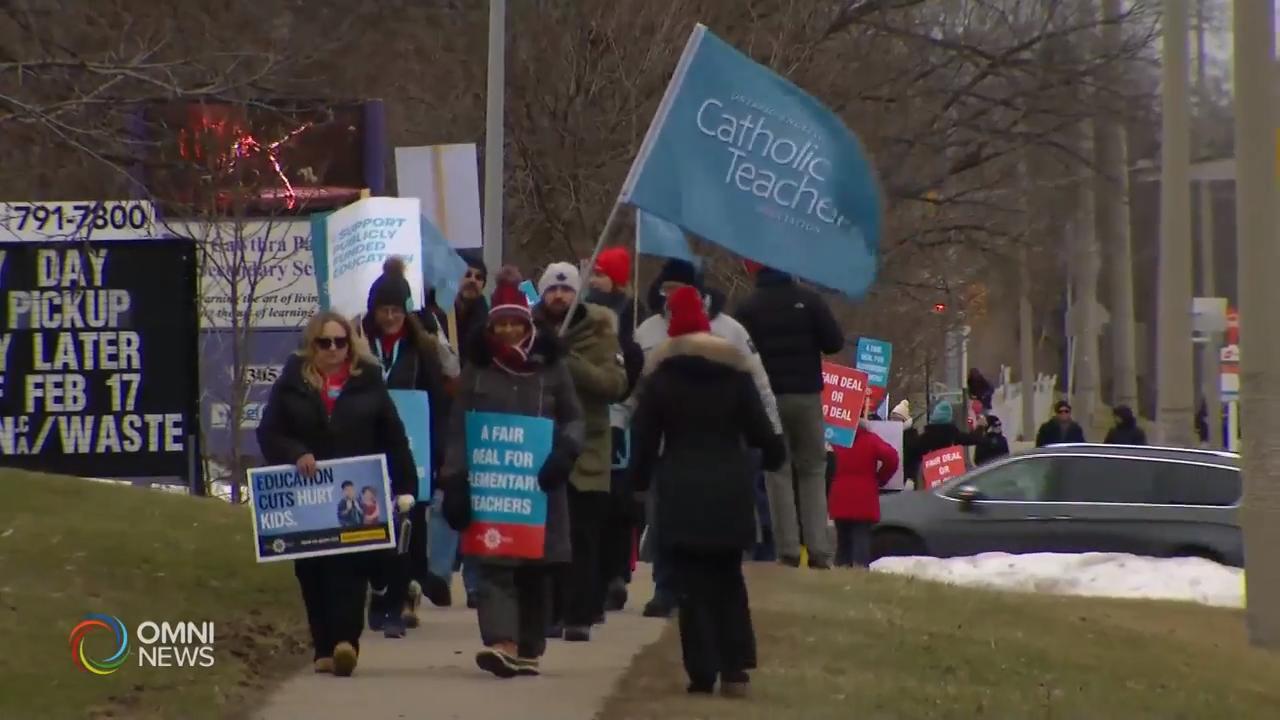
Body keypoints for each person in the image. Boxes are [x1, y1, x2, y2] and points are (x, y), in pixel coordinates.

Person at [628, 285, 786, 697]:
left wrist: (638, 483)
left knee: (691, 585)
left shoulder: (661, 379)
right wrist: (772, 456)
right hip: (730, 488)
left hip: (681, 487)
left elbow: (643, 439)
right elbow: (763, 435)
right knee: (729, 579)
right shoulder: (735, 375)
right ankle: (736, 668)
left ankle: (701, 670)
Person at [439, 266, 584, 679]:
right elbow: (457, 429)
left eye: (514, 323)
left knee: (534, 571)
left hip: (540, 485)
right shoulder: (477, 372)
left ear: (527, 325)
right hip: (493, 488)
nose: (507, 331)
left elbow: (574, 418)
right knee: (494, 563)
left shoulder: (552, 369)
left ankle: (529, 647)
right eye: (500, 323)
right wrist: (455, 480)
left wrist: (566, 452)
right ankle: (501, 643)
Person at [256, 310, 417, 677]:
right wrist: (296, 453)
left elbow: (393, 437)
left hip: (356, 488)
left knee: (350, 567)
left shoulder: (369, 381)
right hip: (307, 495)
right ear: (311, 346)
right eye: (324, 342)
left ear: (350, 344)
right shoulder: (292, 383)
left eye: (339, 342)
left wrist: (406, 486)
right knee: (312, 571)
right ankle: (323, 647)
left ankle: (347, 643)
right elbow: (269, 433)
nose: (332, 349)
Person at [534, 261, 627, 642]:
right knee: (543, 539)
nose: (560, 296)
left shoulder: (600, 331)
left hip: (587, 449)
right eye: (553, 290)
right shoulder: (527, 329)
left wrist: (567, 360)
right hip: (540, 447)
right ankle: (547, 612)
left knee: (583, 538)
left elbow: (614, 384)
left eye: (567, 289)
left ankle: (580, 614)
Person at [734, 261, 844, 570]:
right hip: (807, 394)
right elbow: (833, 343)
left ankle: (788, 549)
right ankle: (820, 549)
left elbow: (740, 353)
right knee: (812, 468)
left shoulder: (748, 307)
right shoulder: (809, 300)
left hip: (768, 397)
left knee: (777, 470)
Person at [361, 258, 449, 633]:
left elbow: (438, 404)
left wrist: (440, 452)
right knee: (374, 524)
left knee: (410, 523)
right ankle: (380, 596)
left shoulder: (421, 348)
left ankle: (401, 598)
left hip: (413, 447)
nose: (391, 316)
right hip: (369, 443)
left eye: (397, 309)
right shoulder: (358, 344)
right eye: (385, 309)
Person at [418, 254, 489, 609]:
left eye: (479, 276)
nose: (472, 281)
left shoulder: (489, 323)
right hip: (443, 421)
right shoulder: (436, 318)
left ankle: (475, 584)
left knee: (476, 502)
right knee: (445, 498)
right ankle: (439, 575)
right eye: (466, 274)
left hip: (477, 420)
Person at [585, 247, 647, 613]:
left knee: (618, 503)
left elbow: (635, 371)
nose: (594, 281)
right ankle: (595, 573)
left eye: (601, 274)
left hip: (620, 421)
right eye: (592, 274)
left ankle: (617, 573)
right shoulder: (582, 313)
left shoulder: (630, 317)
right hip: (591, 416)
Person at [827, 420, 899, 568]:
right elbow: (892, 457)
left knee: (842, 542)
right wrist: (881, 478)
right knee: (862, 539)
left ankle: (841, 573)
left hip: (840, 495)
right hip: (864, 497)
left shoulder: (837, 440)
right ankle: (860, 572)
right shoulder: (870, 439)